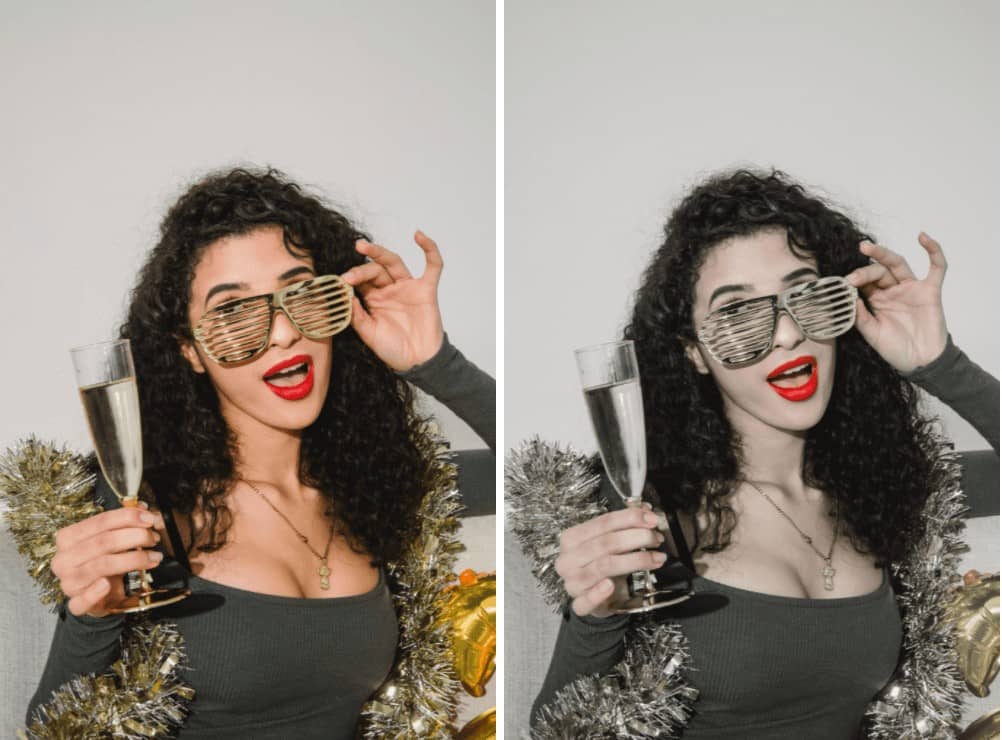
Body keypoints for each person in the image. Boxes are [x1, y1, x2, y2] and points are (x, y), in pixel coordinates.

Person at [524, 170, 998, 738]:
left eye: (806, 294)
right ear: (693, 353)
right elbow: (556, 730)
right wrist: (594, 614)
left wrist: (937, 363)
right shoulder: (645, 511)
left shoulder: (886, 492)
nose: (787, 334)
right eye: (736, 314)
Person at [27, 167, 495, 738]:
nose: (281, 333)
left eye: (303, 293)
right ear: (189, 351)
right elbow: (53, 727)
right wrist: (90, 618)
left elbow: (545, 485)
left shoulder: (382, 485)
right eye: (231, 312)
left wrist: (434, 362)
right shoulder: (140, 508)